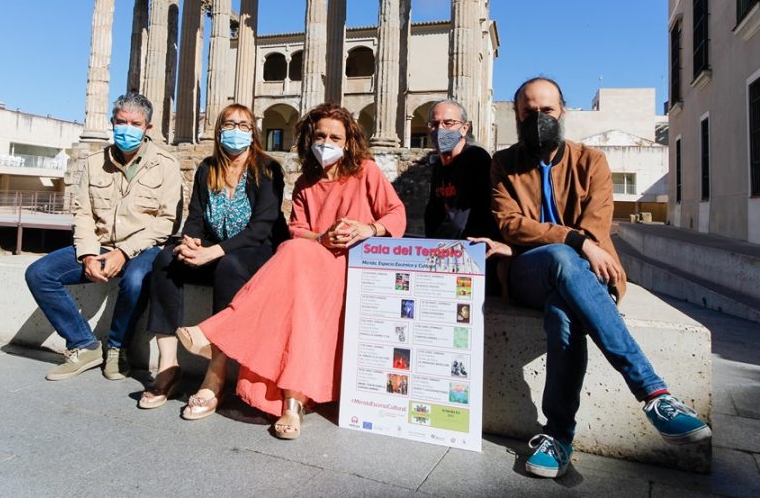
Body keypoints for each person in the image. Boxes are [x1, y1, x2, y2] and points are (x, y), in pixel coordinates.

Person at [474, 77, 710, 479]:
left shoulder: (591, 161)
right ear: (516, 115)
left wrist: (571, 241)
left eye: (546, 110)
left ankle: (559, 436)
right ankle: (654, 393)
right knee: (564, 256)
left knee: (564, 312)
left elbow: (596, 229)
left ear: (562, 111)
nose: (538, 118)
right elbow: (509, 224)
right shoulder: (504, 164)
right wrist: (569, 239)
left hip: (586, 274)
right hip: (529, 271)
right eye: (528, 111)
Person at [175, 103, 406, 439]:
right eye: (321, 135)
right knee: (295, 264)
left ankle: (217, 332)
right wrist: (323, 237)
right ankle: (292, 405)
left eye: (335, 136)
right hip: (308, 264)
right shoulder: (306, 183)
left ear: (349, 141)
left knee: (292, 251)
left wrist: (366, 229)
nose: (326, 141)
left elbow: (396, 215)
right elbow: (297, 228)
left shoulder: (366, 172)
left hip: (350, 266)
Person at [137, 103, 289, 410]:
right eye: (229, 124)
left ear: (253, 132)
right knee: (166, 260)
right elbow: (195, 216)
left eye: (244, 126)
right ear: (219, 130)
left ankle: (215, 373)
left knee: (230, 266)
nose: (236, 131)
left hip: (255, 253)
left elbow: (262, 228)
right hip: (213, 249)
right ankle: (168, 366)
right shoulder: (208, 168)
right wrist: (191, 242)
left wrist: (213, 252)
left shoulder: (267, 169)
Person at [25, 93, 181, 381]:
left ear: (148, 128)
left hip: (143, 247)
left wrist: (123, 253)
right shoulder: (95, 162)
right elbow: (83, 213)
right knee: (39, 273)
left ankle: (117, 348)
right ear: (112, 123)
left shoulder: (166, 164)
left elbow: (166, 222)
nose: (127, 128)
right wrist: (87, 254)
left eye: (135, 123)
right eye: (121, 122)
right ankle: (84, 345)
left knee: (135, 280)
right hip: (99, 243)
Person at [422, 99, 501, 293]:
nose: (440, 129)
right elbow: (432, 212)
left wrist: (427, 253)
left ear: (464, 128)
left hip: (477, 257)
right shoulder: (439, 165)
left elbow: (458, 220)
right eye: (434, 124)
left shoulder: (475, 158)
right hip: (449, 252)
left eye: (448, 123)